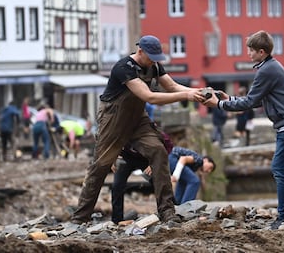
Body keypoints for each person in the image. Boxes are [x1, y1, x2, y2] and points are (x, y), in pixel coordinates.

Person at [71, 35, 206, 225]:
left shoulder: (155, 66)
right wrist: (186, 95)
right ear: (140, 51)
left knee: (158, 151)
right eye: (151, 56)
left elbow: (172, 86)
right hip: (113, 118)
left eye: (156, 57)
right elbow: (149, 97)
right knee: (100, 167)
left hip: (137, 119)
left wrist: (196, 92)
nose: (154, 61)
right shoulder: (123, 67)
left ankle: (167, 211)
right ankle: (79, 218)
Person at [204, 30, 284, 230]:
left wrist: (218, 105)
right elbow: (256, 99)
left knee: (279, 168)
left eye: (251, 50)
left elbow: (251, 101)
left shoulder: (266, 70)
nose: (248, 54)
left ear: (261, 52)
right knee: (283, 168)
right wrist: (230, 99)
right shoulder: (270, 66)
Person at [110, 126, 173, 224]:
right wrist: (112, 158)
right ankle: (117, 220)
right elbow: (110, 143)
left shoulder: (148, 127)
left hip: (146, 158)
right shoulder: (119, 126)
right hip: (127, 158)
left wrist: (156, 162)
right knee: (117, 185)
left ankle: (171, 209)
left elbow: (168, 145)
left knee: (158, 181)